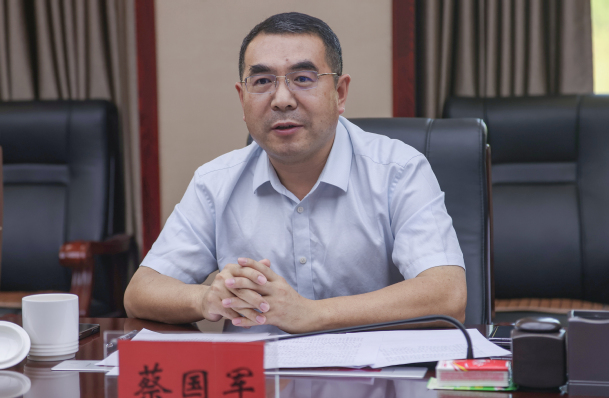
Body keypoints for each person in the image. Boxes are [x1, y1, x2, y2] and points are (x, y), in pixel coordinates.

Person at [124, 12, 466, 333]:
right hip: (257, 375)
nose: (282, 99)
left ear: (340, 93)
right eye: (262, 81)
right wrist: (206, 298)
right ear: (242, 99)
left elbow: (447, 296)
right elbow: (140, 292)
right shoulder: (215, 182)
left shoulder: (399, 170)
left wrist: (313, 313)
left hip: (373, 373)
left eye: (303, 79)